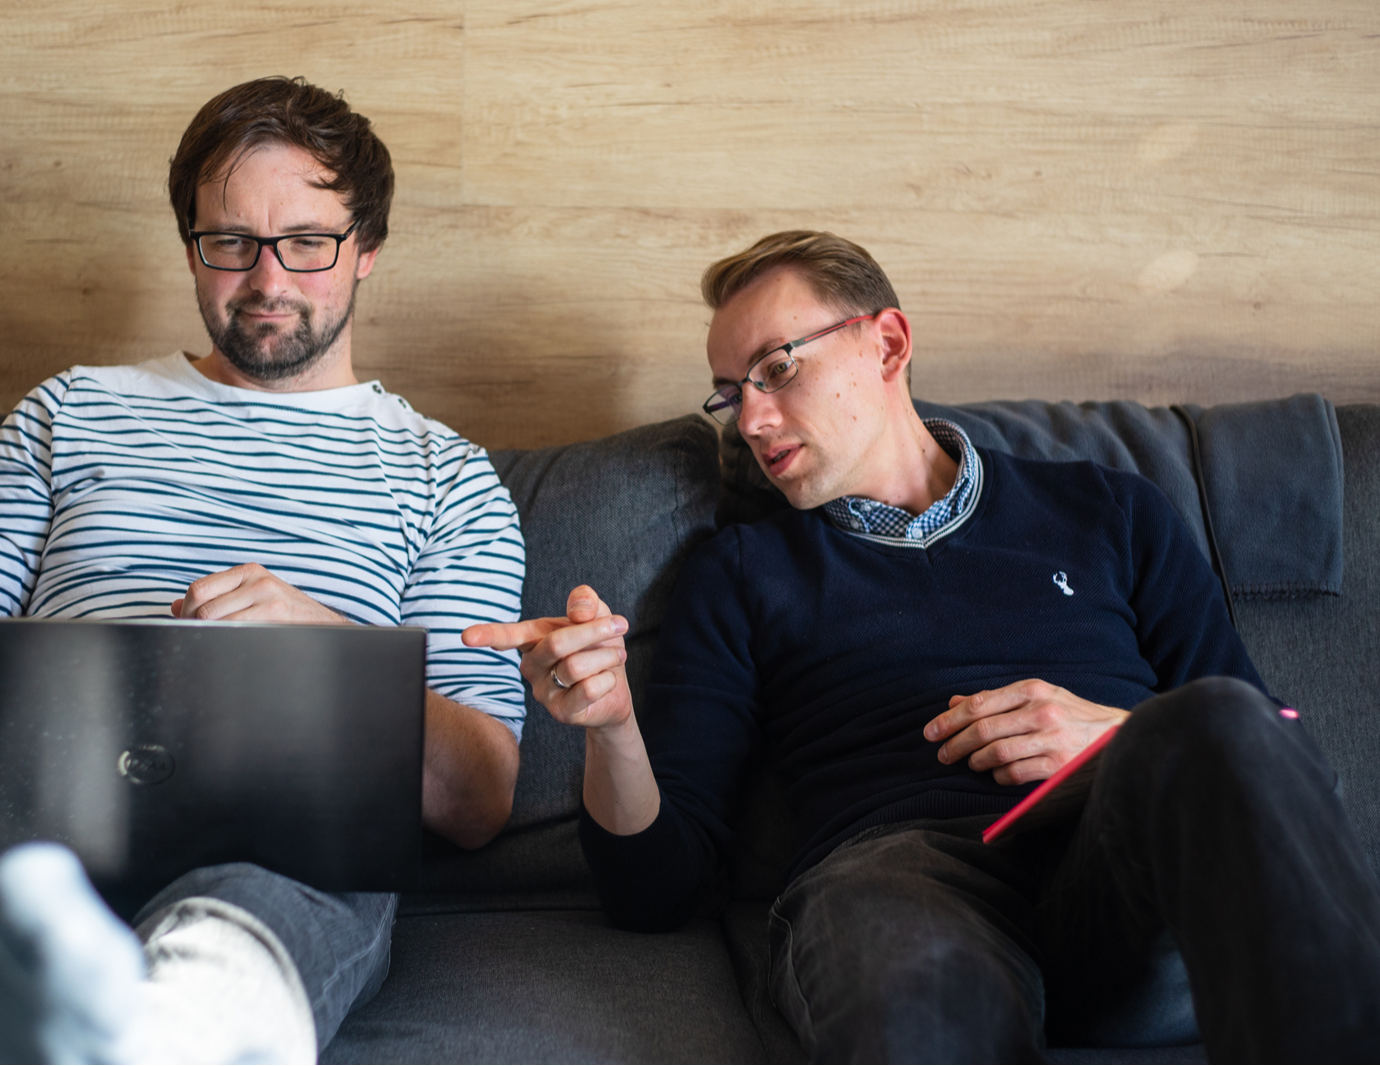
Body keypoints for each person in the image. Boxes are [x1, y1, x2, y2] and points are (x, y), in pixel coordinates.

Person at [465, 230, 1380, 1062]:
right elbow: (655, 894)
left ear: (888, 344)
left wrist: (1118, 740)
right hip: (902, 877)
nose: (748, 421)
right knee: (910, 979)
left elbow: (1274, 753)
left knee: (1214, 717)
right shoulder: (742, 572)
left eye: (776, 368)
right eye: (730, 394)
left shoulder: (1107, 508)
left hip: (1124, 872)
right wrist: (611, 727)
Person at [0, 76, 526, 1064]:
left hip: (283, 853)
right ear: (191, 246)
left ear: (366, 248)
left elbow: (477, 801)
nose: (267, 278)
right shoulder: (68, 410)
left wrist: (326, 650)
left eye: (306, 242)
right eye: (230, 241)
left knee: (201, 992)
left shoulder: (446, 477)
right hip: (25, 832)